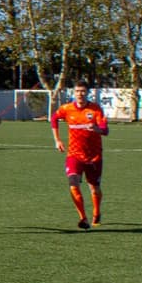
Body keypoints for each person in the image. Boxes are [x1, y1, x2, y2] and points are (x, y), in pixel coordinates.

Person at [50, 82, 110, 229]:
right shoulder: (67, 108)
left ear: (87, 93)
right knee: (73, 184)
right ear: (74, 93)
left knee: (94, 188)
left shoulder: (95, 109)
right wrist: (57, 140)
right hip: (74, 154)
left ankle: (96, 212)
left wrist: (96, 128)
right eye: (77, 91)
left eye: (83, 91)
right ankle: (83, 218)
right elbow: (54, 118)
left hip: (94, 156)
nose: (80, 94)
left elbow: (105, 130)